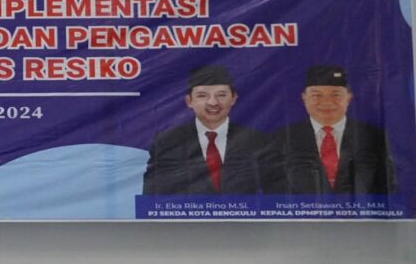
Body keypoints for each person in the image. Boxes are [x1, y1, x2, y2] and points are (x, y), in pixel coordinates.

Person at [265, 65, 396, 195]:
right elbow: (271, 187)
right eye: (317, 95)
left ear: (348, 98)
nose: (327, 102)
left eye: (335, 95)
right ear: (304, 98)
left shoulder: (372, 136)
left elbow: (389, 185)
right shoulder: (281, 138)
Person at [143, 65, 268, 195]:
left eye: (221, 95)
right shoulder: (167, 142)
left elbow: (274, 194)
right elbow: (152, 196)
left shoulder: (256, 140)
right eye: (202, 95)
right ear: (189, 101)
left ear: (233, 98)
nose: (213, 103)